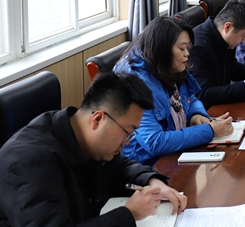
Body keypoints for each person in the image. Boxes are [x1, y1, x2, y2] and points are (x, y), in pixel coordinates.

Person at [0, 71, 187, 226]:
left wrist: (153, 182)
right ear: (98, 119)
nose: (128, 142)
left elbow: (121, 167)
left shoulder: (83, 136)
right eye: (128, 132)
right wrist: (129, 214)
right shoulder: (31, 163)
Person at [113, 16, 234, 165]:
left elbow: (190, 97)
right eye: (182, 49)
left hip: (175, 153)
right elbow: (154, 142)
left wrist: (195, 115)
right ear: (162, 49)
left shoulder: (166, 66)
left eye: (187, 48)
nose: (187, 54)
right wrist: (209, 131)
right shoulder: (135, 83)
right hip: (149, 165)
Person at [188, 0, 245, 108]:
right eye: (243, 35)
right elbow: (202, 95)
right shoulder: (199, 47)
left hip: (222, 107)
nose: (243, 41)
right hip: (206, 112)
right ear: (227, 27)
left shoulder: (224, 38)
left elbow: (232, 68)